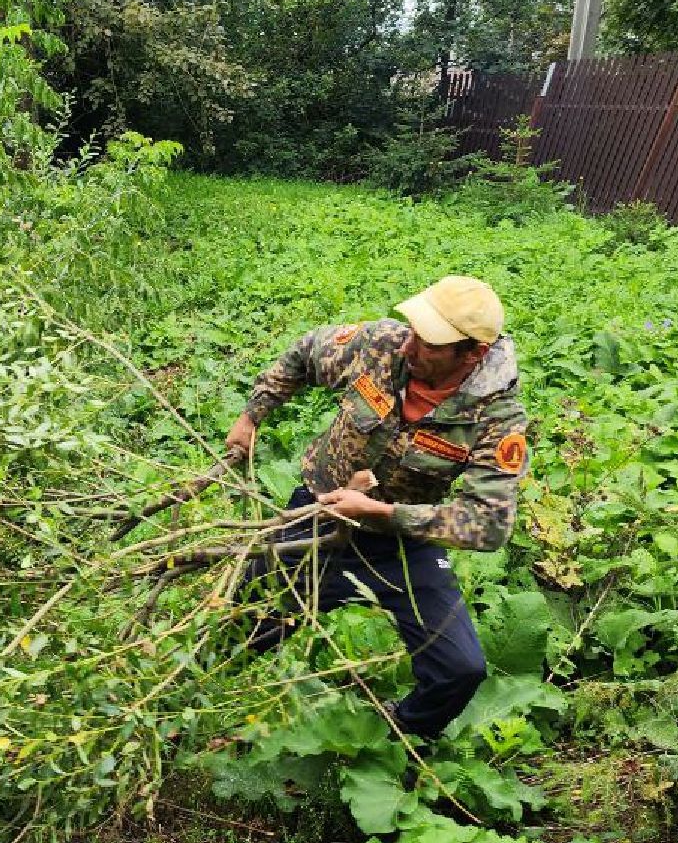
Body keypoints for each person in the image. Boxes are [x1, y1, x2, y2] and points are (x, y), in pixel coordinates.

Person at [225, 276, 530, 741]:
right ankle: (190, 705)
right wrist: (252, 415)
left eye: (429, 343)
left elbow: (489, 524)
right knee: (245, 622)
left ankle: (396, 738)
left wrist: (382, 514)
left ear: (472, 353)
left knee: (460, 669)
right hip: (318, 515)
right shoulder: (381, 344)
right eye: (414, 332)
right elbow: (305, 352)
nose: (409, 346)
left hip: (401, 543)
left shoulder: (497, 418)